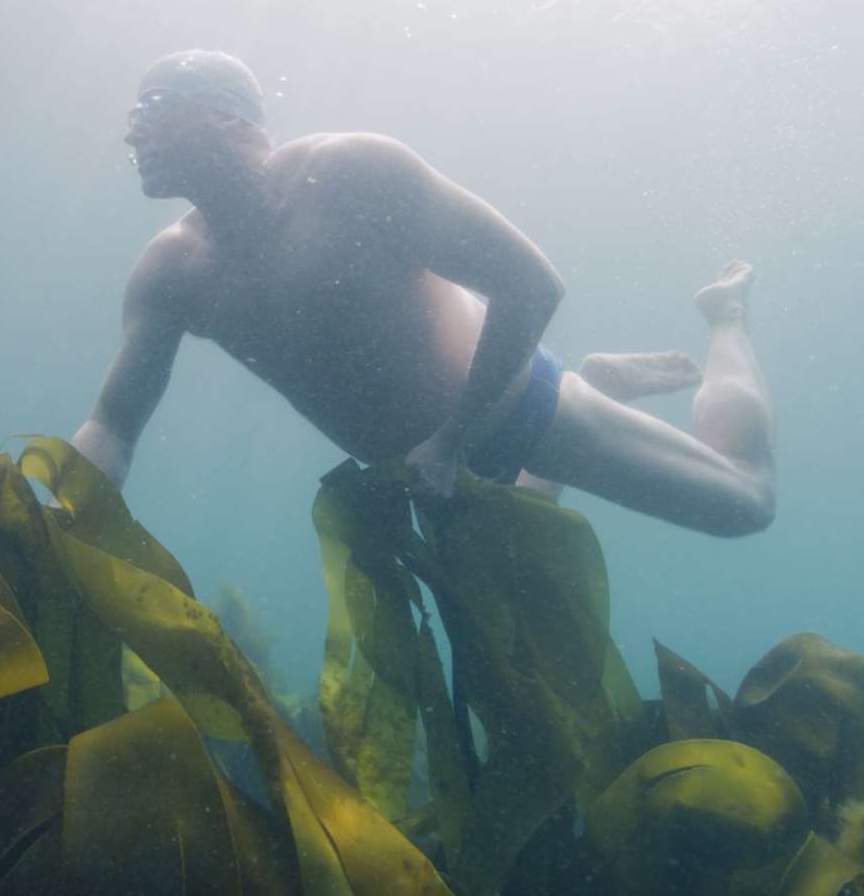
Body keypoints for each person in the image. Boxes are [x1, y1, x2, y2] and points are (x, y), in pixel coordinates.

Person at [72, 50, 775, 537]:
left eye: (156, 106)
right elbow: (111, 422)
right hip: (429, 473)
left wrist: (451, 439)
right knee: (524, 619)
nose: (133, 127)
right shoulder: (170, 272)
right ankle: (608, 382)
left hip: (522, 413)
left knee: (746, 503)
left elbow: (530, 283)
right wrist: (62, 516)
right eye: (135, 111)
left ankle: (725, 315)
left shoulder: (347, 172)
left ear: (227, 119)